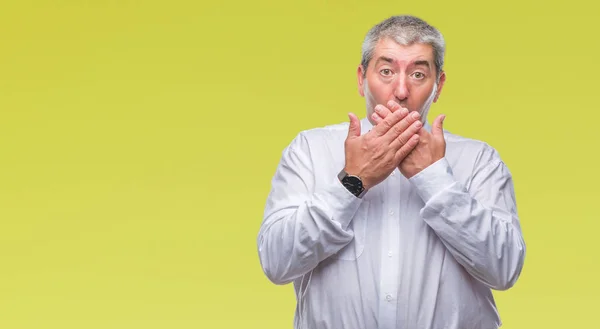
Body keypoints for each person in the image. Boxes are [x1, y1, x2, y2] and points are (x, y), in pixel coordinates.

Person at [256, 15, 526, 329]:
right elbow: (276, 262)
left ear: (438, 86)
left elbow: (505, 269)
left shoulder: (480, 160)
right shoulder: (309, 150)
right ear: (361, 79)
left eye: (418, 74)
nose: (400, 90)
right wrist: (353, 181)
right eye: (386, 71)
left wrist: (434, 178)